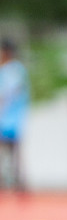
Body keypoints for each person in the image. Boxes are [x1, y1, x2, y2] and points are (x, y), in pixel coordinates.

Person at [0, 39, 29, 196]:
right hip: (11, 119)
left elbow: (9, 94)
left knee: (12, 153)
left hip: (8, 120)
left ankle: (17, 185)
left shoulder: (12, 70)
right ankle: (17, 185)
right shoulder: (16, 70)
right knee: (13, 154)